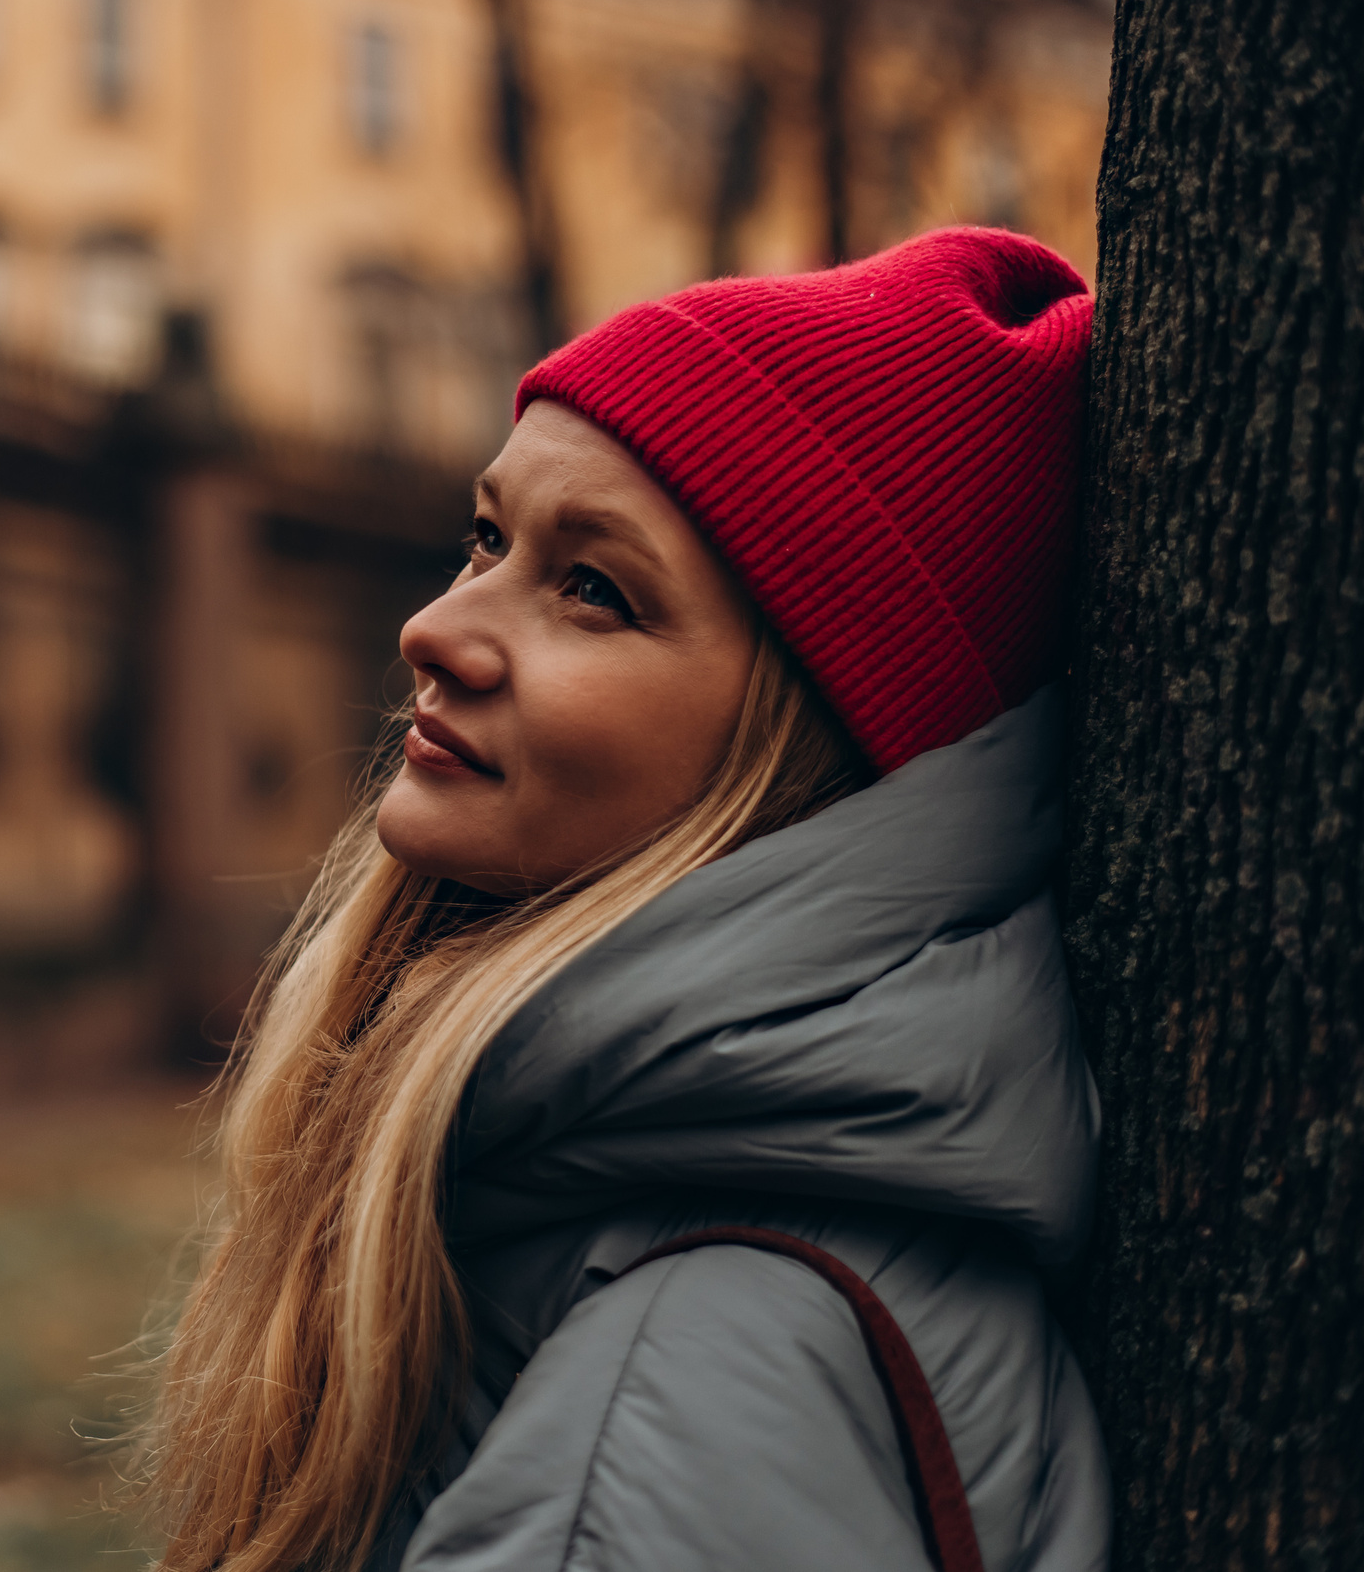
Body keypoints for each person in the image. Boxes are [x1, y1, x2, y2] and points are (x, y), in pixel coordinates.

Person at [140, 227, 1110, 1572]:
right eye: (488, 537)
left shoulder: (685, 1386)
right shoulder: (664, 1240)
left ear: (809, 750)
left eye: (594, 588)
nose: (438, 624)